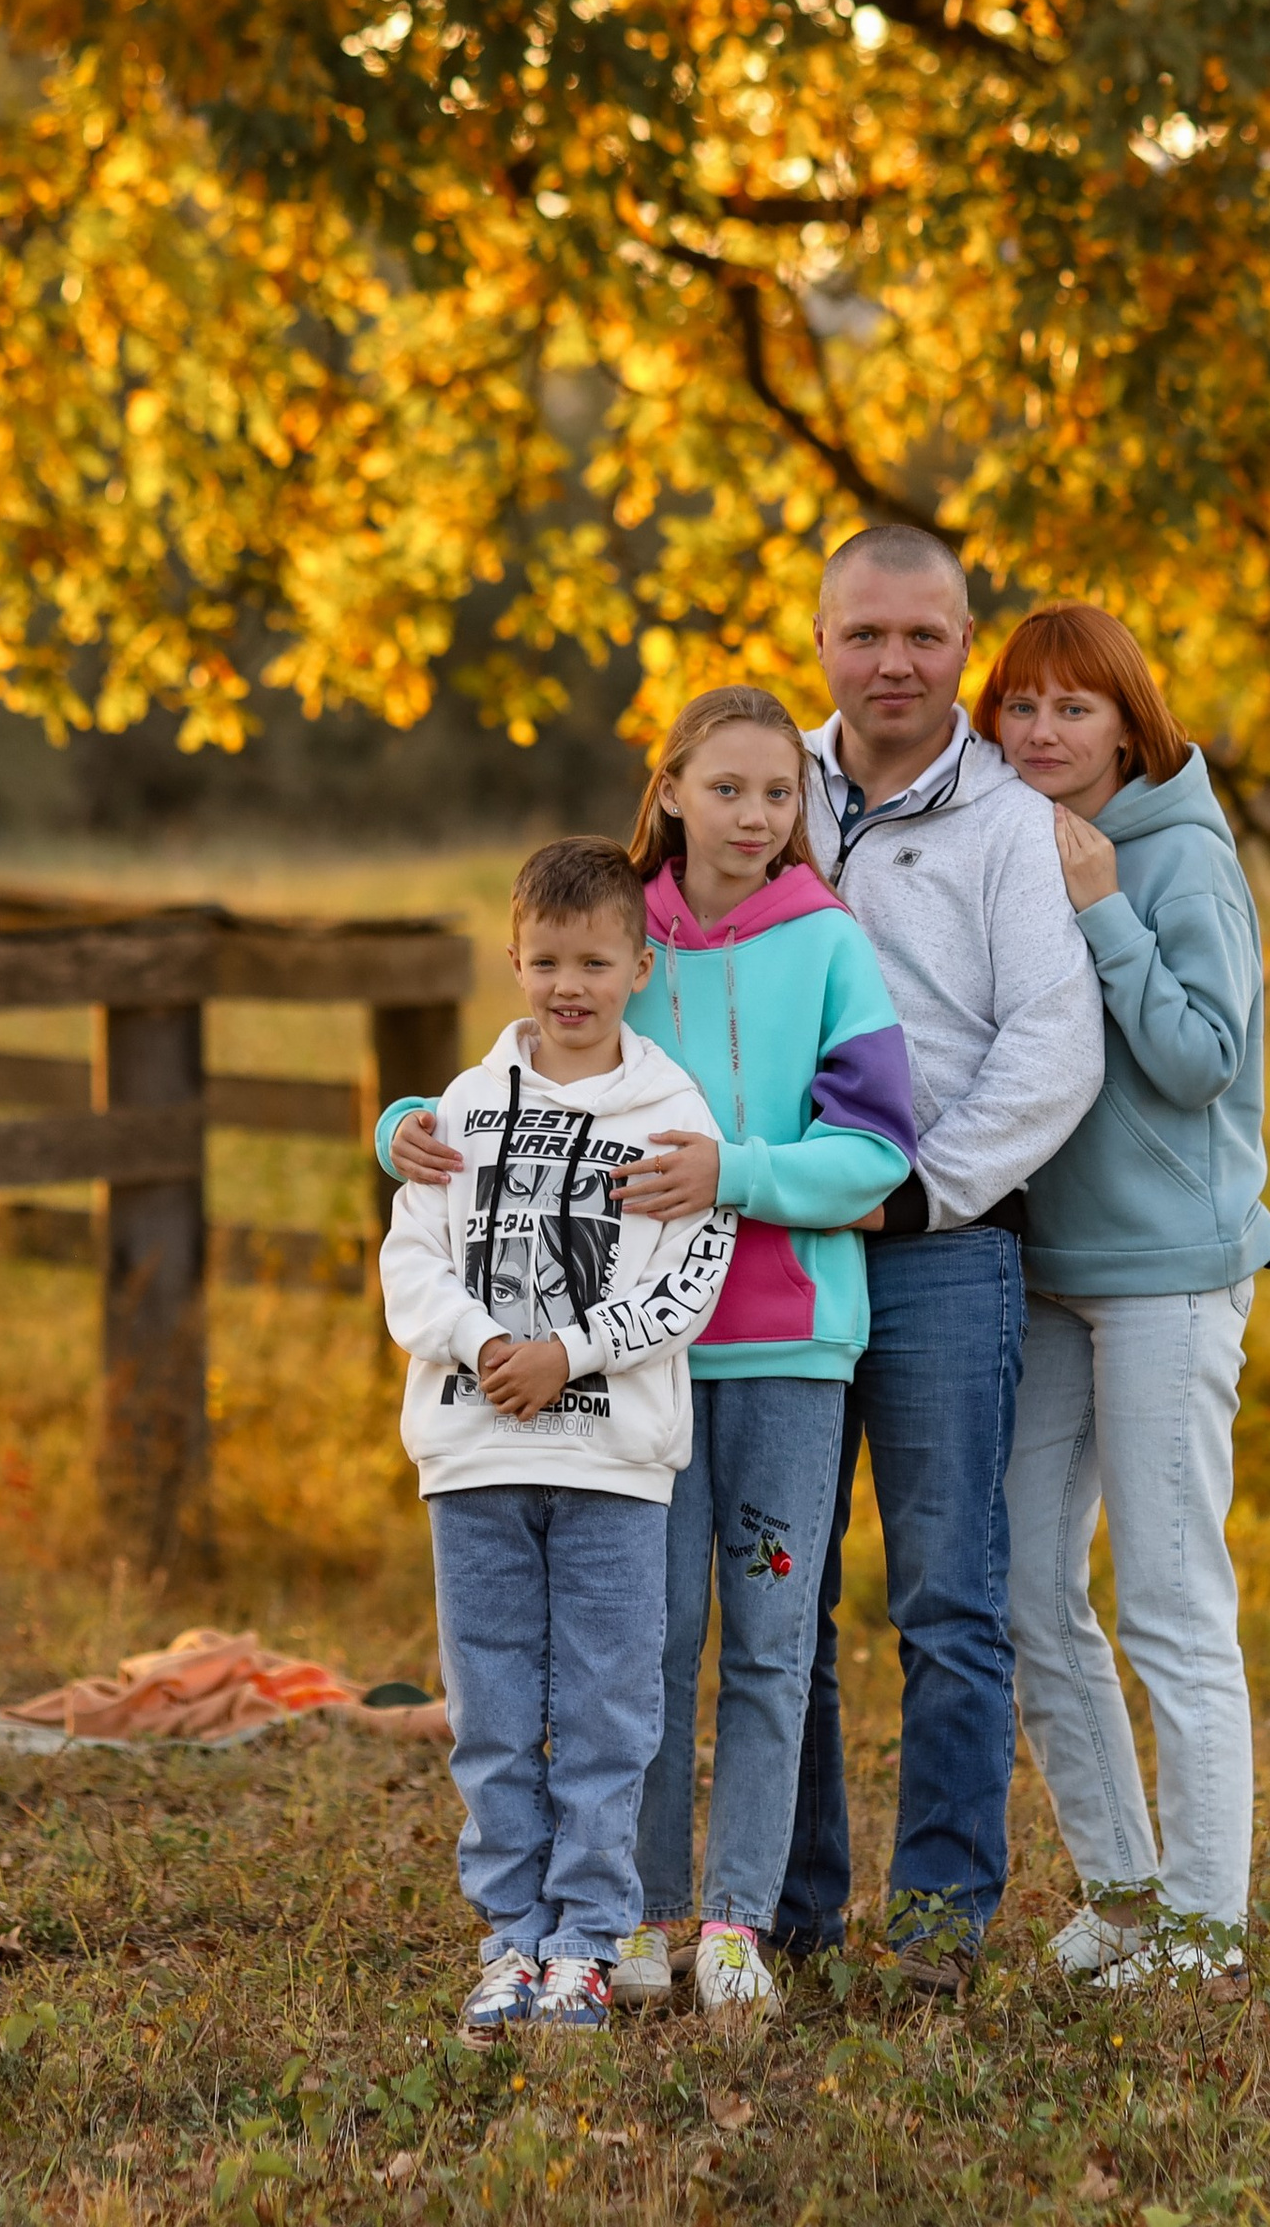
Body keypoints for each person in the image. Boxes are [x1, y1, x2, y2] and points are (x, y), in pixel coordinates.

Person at [385, 686, 917, 2015]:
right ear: (669, 788)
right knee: (648, 1654)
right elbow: (527, 1088)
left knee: (773, 1643)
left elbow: (877, 1153)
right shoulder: (621, 934)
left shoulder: (829, 943)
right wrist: (407, 1121)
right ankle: (638, 1912)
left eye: (780, 792)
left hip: (787, 1339)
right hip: (624, 1383)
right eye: (725, 787)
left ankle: (734, 1921)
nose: (754, 815)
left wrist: (734, 1172)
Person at [774, 523, 1106, 1991]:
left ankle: (936, 1923)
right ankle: (784, 1908)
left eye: (925, 634)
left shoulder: (1010, 823)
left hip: (941, 1254)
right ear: (822, 640)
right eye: (866, 633)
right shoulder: (761, 784)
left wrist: (917, 1198)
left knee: (949, 1598)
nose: (895, 661)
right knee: (778, 1591)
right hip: (773, 1251)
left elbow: (1055, 1045)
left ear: (964, 642)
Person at [377, 837, 737, 2038]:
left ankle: (586, 1939)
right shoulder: (462, 1109)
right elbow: (411, 1257)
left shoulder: (672, 1115)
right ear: (513, 961)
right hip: (475, 1455)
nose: (568, 985)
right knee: (489, 1712)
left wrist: (567, 1355)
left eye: (593, 961)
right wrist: (485, 1343)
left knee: (605, 1713)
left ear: (640, 964)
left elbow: (690, 1281)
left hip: (611, 1466)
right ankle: (511, 1939)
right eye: (546, 962)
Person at [977, 603, 1270, 1987]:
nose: (1043, 731)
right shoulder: (1012, 840)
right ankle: (1127, 1897)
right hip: (1047, 1268)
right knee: (1027, 1587)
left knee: (1170, 1600)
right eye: (1020, 705)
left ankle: (1208, 1930)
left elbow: (1202, 1058)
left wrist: (1104, 908)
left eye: (1074, 707)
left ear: (1126, 722)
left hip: (1169, 1276)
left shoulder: (1177, 858)